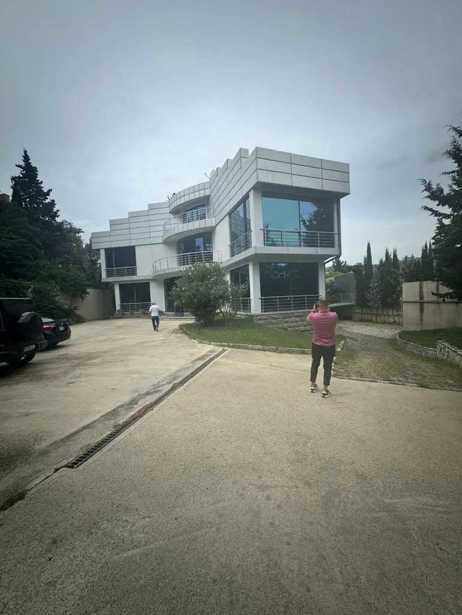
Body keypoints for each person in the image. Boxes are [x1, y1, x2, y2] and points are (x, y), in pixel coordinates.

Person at [307, 298, 338, 398]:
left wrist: (313, 310)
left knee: (315, 364)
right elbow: (334, 320)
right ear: (328, 305)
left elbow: (308, 318)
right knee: (327, 367)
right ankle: (325, 389)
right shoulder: (334, 315)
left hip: (316, 344)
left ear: (318, 306)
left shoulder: (314, 316)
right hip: (330, 345)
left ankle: (312, 385)